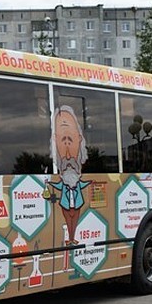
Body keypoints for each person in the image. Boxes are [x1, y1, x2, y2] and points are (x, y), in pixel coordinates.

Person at [47, 105, 91, 246]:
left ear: (79, 138)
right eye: (61, 140)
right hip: (66, 204)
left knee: (74, 221)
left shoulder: (77, 177)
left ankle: (72, 238)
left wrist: (91, 182)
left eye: (70, 140)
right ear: (54, 141)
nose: (67, 154)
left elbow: (83, 183)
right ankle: (71, 239)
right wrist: (49, 184)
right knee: (69, 219)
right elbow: (58, 185)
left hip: (76, 204)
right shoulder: (61, 176)